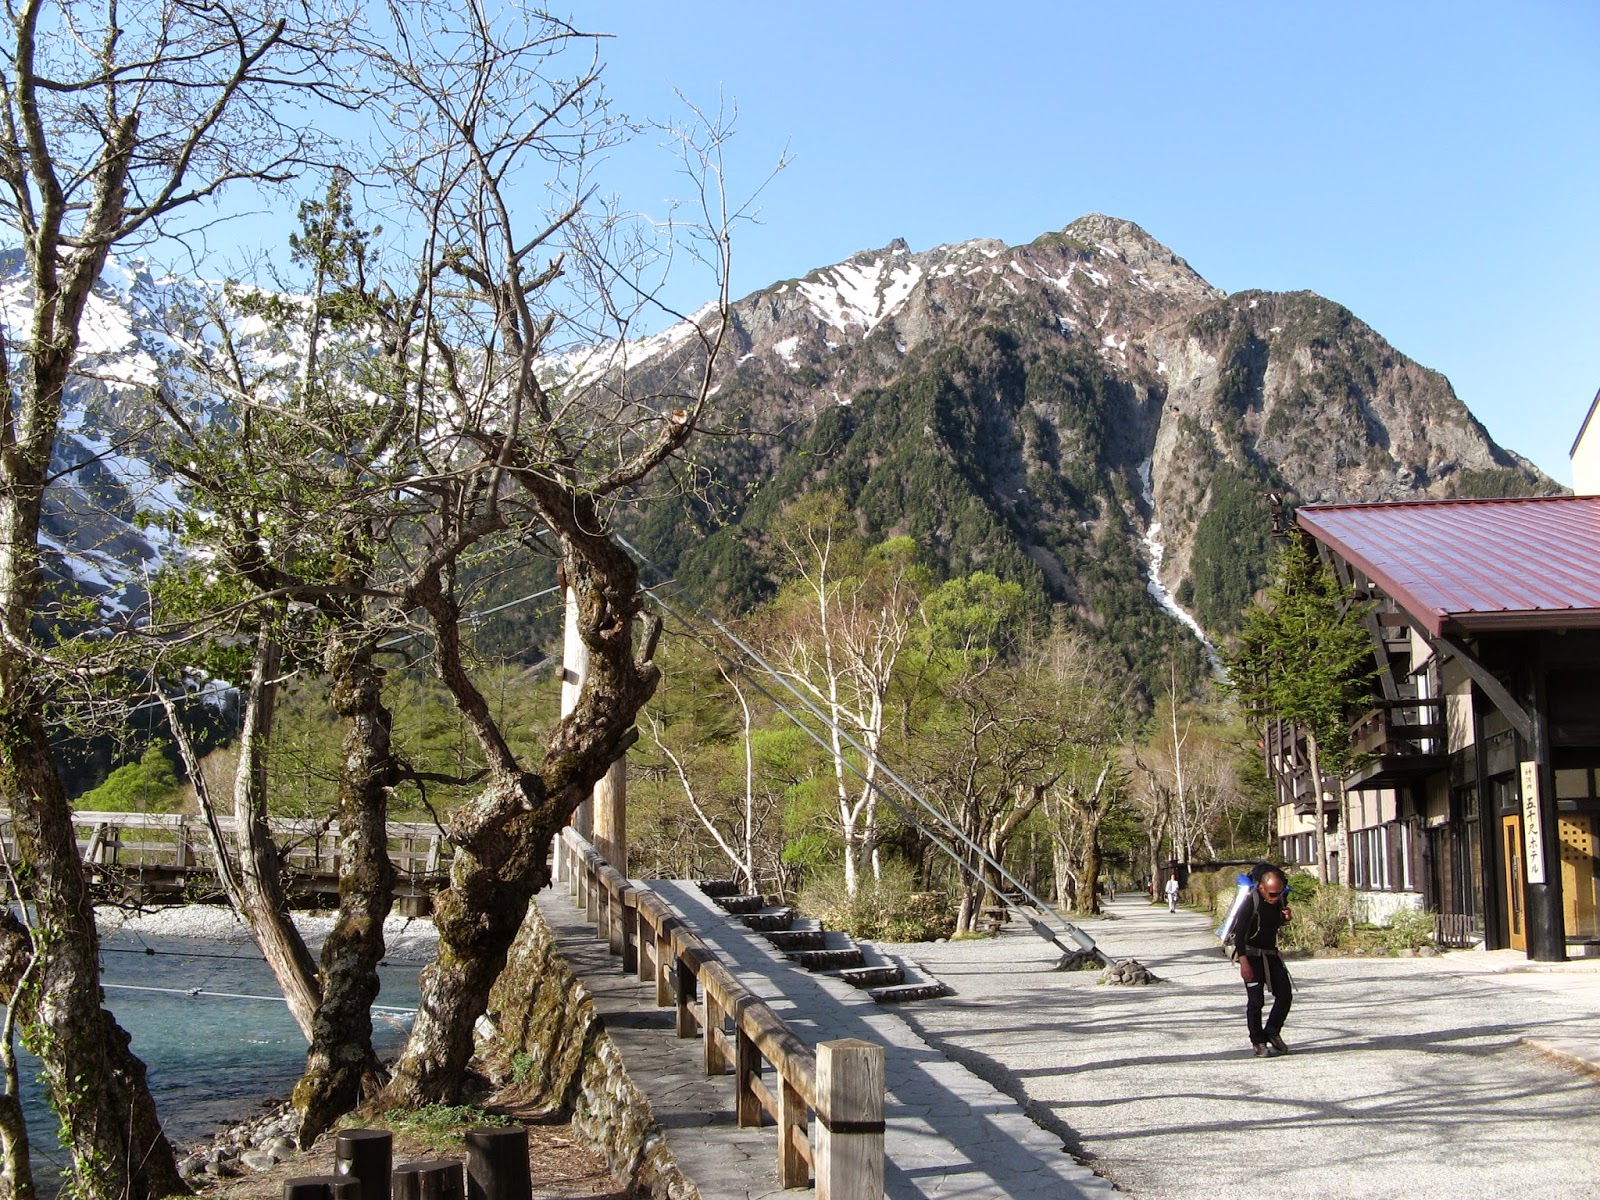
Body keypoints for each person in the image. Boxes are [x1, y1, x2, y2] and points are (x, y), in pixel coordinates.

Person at [1236, 868, 1293, 1057]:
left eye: (1280, 893)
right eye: (1272, 893)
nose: (1276, 897)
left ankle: (1272, 1031)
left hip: (1271, 955)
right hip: (1251, 955)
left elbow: (1271, 925)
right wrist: (1243, 962)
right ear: (1261, 887)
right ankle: (1258, 1041)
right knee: (1256, 1001)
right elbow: (1239, 935)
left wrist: (1284, 919)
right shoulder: (1250, 903)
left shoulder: (1279, 901)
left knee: (1285, 994)